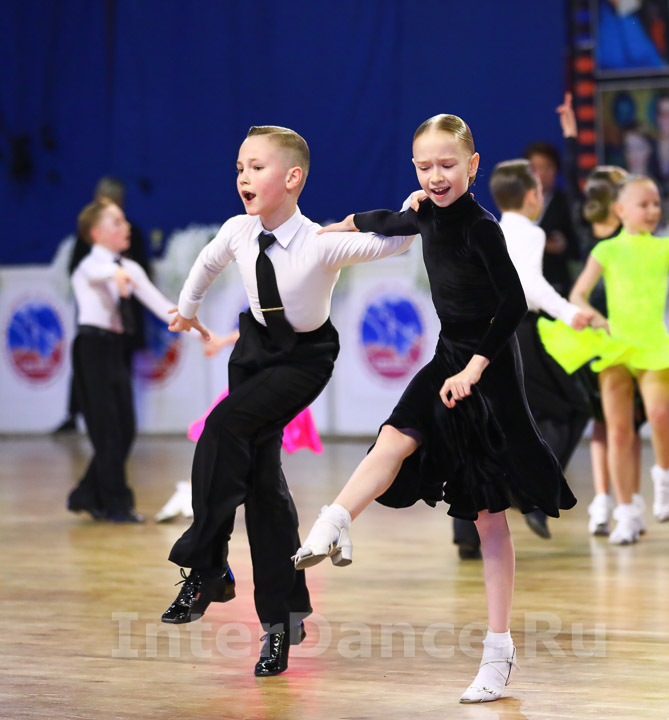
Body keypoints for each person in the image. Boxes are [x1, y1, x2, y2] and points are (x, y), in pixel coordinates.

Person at [293, 114, 576, 704]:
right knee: (395, 436)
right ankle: (335, 521)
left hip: (489, 373)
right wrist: (341, 225)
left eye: (448, 165)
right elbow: (390, 220)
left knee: (488, 516)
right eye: (424, 167)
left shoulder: (482, 228)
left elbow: (513, 303)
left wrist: (475, 369)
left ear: (474, 165)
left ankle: (498, 651)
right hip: (448, 357)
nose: (435, 176)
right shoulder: (425, 211)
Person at [160, 125, 416, 678]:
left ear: (293, 178)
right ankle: (281, 623)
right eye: (239, 168)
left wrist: (401, 208)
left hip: (303, 360)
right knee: (262, 487)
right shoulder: (237, 230)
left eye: (256, 167)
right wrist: (188, 311)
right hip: (253, 351)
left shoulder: (321, 243)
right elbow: (205, 264)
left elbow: (398, 240)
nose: (243, 177)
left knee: (223, 427)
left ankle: (207, 567)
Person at [557, 93, 669, 535]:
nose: (652, 210)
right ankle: (623, 510)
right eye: (643, 204)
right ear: (619, 209)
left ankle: (662, 478)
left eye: (655, 204)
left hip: (652, 346)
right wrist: (593, 316)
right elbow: (578, 293)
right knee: (617, 430)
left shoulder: (661, 247)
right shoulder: (605, 248)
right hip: (613, 344)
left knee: (659, 417)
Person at [452, 160, 594, 552]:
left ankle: (467, 535)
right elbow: (528, 284)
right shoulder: (531, 232)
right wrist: (568, 312)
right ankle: (528, 490)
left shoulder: (488, 227)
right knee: (572, 408)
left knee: (486, 425)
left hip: (479, 332)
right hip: (515, 332)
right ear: (533, 196)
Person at [67, 199, 205, 523]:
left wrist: (205, 335)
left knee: (125, 429)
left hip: (115, 348)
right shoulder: (88, 265)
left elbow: (163, 307)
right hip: (91, 348)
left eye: (124, 220)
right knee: (106, 431)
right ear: (96, 232)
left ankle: (86, 494)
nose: (126, 226)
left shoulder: (129, 268)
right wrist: (114, 272)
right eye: (116, 222)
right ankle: (116, 505)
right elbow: (98, 272)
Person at [155, 328, 323, 522]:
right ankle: (192, 491)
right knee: (231, 441)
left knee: (248, 443)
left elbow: (262, 329)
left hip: (272, 381)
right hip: (263, 382)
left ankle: (270, 493)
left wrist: (222, 341)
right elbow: (258, 328)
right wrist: (222, 341)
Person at [55, 176, 151, 434]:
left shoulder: (132, 236)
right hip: (94, 324)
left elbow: (144, 281)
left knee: (121, 371)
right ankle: (78, 415)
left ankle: (121, 420)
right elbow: (81, 270)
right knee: (88, 370)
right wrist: (110, 276)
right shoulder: (87, 241)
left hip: (123, 319)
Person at [524, 141, 581, 298]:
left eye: (547, 167)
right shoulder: (516, 203)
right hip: (523, 287)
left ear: (556, 169)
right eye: (536, 167)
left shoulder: (567, 203)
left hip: (556, 284)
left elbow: (580, 246)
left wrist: (563, 247)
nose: (541, 173)